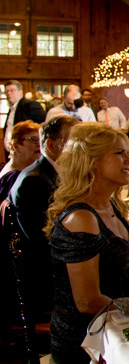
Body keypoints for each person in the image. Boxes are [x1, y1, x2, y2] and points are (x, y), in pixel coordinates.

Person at [45, 123, 129, 364]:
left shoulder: (112, 206)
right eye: (120, 153)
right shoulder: (81, 218)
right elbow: (87, 302)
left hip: (115, 324)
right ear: (92, 161)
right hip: (85, 339)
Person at [8, 116, 79, 318]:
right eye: (75, 142)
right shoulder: (34, 181)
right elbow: (45, 241)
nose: (83, 149)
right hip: (43, 277)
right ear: (51, 144)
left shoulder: (51, 173)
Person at [0, 121, 42, 201]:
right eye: (33, 139)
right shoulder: (13, 177)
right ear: (15, 147)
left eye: (40, 139)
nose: (39, 144)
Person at [4, 80, 46, 150]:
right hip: (12, 152)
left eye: (12, 90)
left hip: (25, 152)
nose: (9, 93)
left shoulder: (29, 105)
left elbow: (45, 122)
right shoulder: (11, 109)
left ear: (20, 92)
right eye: (6, 91)